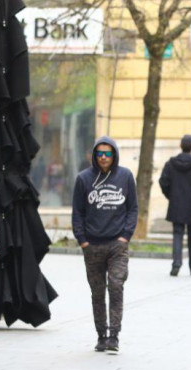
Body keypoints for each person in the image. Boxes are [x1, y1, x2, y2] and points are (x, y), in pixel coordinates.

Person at [72, 136, 138, 354]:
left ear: (114, 155)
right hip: (92, 246)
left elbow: (132, 208)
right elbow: (77, 213)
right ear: (94, 155)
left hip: (117, 245)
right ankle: (101, 336)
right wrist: (83, 241)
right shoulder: (83, 179)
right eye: (99, 153)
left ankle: (114, 335)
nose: (103, 157)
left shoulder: (126, 176)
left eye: (107, 153)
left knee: (116, 286)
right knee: (97, 292)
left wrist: (125, 236)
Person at [159, 135, 191, 277]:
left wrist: (171, 195)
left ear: (181, 146)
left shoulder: (171, 164)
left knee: (177, 234)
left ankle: (176, 264)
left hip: (176, 204)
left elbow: (163, 182)